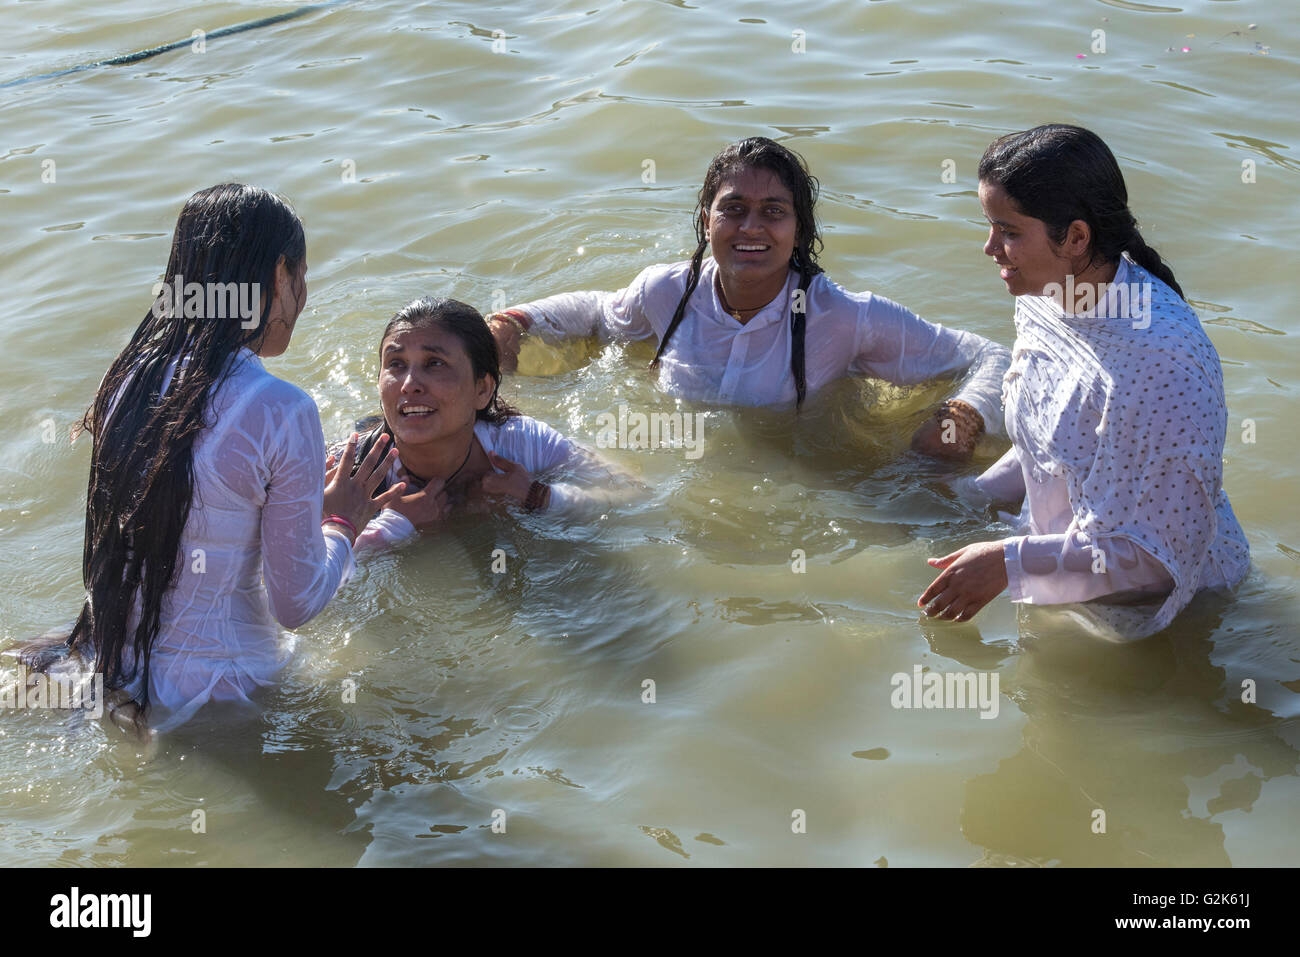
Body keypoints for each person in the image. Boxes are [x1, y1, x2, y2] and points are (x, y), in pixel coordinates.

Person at [45, 184, 404, 734]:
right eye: (302, 276)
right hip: (226, 696)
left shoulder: (127, 380)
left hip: (114, 668)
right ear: (280, 275)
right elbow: (297, 603)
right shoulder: (282, 408)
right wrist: (341, 521)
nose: (302, 297)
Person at [918, 125, 1250, 637]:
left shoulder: (1161, 362)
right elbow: (1058, 445)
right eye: (990, 226)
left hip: (1169, 618)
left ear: (1076, 237)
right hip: (1063, 574)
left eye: (1008, 231)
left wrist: (1009, 564)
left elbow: (1159, 562)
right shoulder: (1045, 296)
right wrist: (968, 494)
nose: (989, 248)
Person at [486, 136, 1010, 459]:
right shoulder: (667, 291)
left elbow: (992, 357)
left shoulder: (843, 317)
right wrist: (514, 320)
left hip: (808, 485)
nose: (751, 228)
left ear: (800, 231)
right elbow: (599, 313)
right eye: (733, 209)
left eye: (774, 212)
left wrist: (961, 416)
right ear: (706, 220)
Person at [331, 297, 637, 551]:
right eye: (396, 364)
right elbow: (298, 596)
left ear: (483, 390)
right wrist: (395, 526)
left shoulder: (518, 442)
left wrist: (538, 495)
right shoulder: (345, 472)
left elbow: (632, 494)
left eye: (434, 364)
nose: (409, 384)